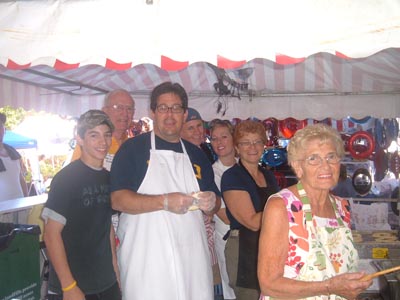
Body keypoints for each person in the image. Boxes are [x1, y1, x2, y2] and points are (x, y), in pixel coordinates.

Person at [110, 81, 221, 300]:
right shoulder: (132, 150)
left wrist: (212, 202)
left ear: (184, 113)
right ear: (152, 112)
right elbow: (118, 200)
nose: (170, 114)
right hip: (147, 261)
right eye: (163, 108)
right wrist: (163, 202)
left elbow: (216, 202)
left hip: (192, 259)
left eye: (176, 108)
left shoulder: (197, 155)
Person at [258, 123, 372, 300]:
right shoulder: (281, 206)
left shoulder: (342, 207)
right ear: (298, 167)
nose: (325, 166)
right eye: (313, 158)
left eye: (331, 157)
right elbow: (269, 284)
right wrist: (329, 287)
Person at [42, 110, 121, 300]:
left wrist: (115, 270)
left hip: (105, 282)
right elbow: (51, 234)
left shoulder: (108, 178)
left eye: (106, 135)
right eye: (94, 135)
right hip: (73, 285)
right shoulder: (66, 179)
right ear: (80, 138)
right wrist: (69, 286)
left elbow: (106, 227)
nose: (103, 142)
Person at [221, 120, 279, 300]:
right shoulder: (232, 176)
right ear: (237, 148)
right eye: (246, 142)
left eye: (257, 141)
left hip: (269, 246)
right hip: (244, 251)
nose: (252, 147)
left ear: (264, 145)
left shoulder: (268, 175)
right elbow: (253, 222)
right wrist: (286, 208)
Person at [180, 107, 220, 298]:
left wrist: (213, 204)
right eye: (191, 128)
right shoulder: (178, 156)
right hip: (182, 233)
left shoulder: (204, 152)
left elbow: (214, 196)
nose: (197, 131)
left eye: (199, 127)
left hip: (205, 228)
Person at [70, 89, 135, 171]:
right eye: (119, 108)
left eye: (129, 109)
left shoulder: (132, 144)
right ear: (105, 111)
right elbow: (77, 175)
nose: (125, 114)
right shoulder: (90, 143)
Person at [209, 119, 237, 300]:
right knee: (232, 287)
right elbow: (225, 216)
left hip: (250, 236)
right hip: (226, 237)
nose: (219, 143)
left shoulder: (245, 167)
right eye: (214, 139)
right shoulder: (212, 173)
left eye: (224, 137)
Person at [0, 112, 29, 223]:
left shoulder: (13, 152)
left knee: (20, 239)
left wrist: (26, 201)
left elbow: (21, 178)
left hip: (20, 209)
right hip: (2, 212)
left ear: (4, 130)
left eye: (0, 126)